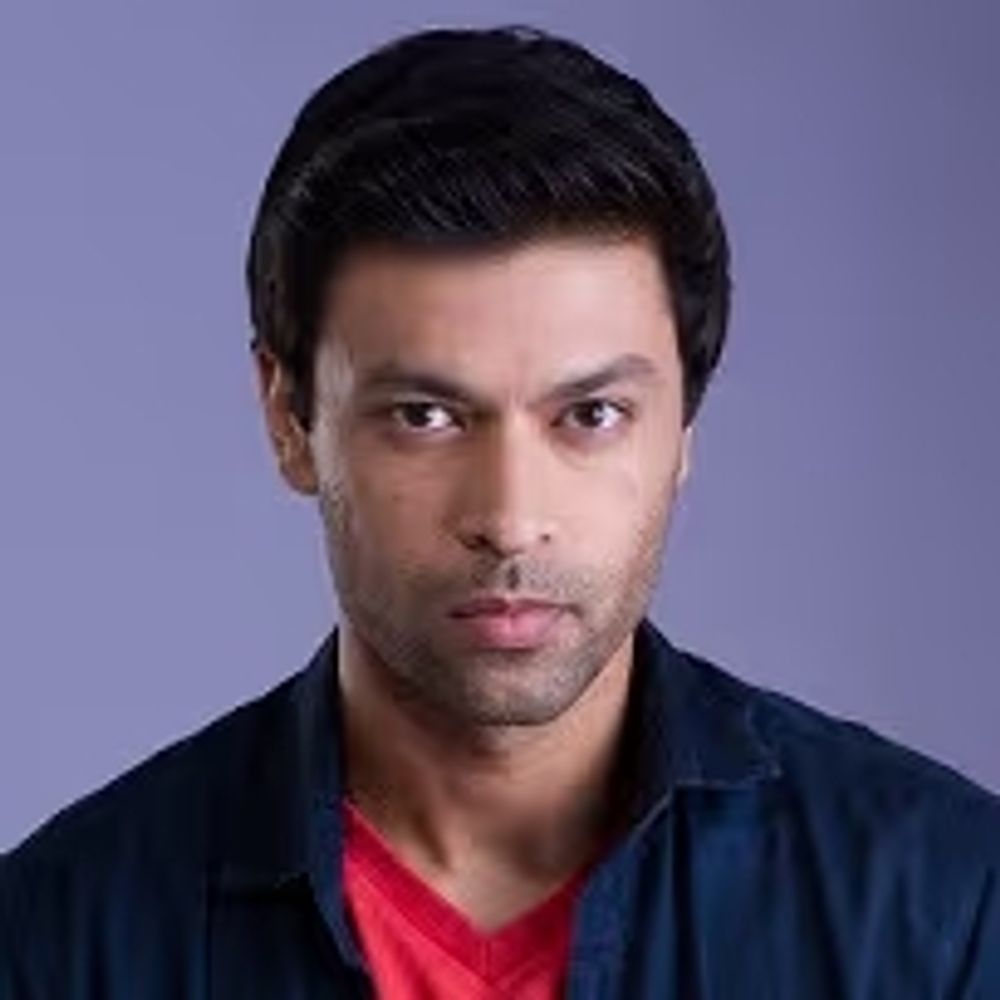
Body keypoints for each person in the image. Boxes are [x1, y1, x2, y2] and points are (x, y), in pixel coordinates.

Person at [1, 23, 997, 999]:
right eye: (424, 416)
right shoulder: (57, 944)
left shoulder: (947, 913)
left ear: (684, 425)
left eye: (590, 415)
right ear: (289, 417)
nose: (512, 518)